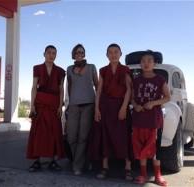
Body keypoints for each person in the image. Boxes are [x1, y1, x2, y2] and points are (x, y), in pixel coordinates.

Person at [89, 43, 133, 180]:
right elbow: (99, 90)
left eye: (116, 52)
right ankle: (105, 167)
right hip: (105, 107)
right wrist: (96, 108)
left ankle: (128, 168)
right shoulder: (102, 70)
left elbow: (129, 90)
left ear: (121, 54)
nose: (113, 54)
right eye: (110, 52)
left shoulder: (125, 70)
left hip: (120, 107)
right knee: (105, 136)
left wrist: (124, 108)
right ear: (107, 55)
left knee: (124, 137)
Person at [131, 50, 171, 186]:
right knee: (140, 147)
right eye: (143, 61)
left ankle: (158, 175)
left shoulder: (160, 80)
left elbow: (167, 97)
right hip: (138, 119)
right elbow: (131, 97)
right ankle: (143, 174)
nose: (146, 63)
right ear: (140, 64)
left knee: (156, 150)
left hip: (155, 121)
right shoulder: (136, 80)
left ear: (154, 63)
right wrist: (135, 105)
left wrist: (153, 103)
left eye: (149, 60)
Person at [26, 45, 65, 172]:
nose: (51, 55)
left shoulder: (60, 71)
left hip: (54, 104)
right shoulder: (37, 68)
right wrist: (32, 106)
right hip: (40, 104)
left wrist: (60, 106)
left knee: (54, 132)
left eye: (54, 53)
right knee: (38, 133)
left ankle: (53, 160)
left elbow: (61, 89)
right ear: (44, 54)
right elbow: (34, 87)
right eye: (49, 53)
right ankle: (37, 161)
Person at [66, 44, 98, 175]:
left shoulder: (91, 67)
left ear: (84, 54)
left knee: (83, 137)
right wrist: (68, 103)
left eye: (82, 52)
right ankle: (82, 161)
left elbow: (97, 85)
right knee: (71, 136)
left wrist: (98, 105)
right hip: (73, 105)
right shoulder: (69, 69)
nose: (79, 53)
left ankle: (77, 166)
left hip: (89, 105)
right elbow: (69, 87)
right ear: (73, 54)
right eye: (77, 52)